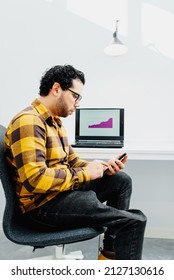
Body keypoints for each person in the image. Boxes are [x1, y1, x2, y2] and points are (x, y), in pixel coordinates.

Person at [4, 64, 147, 260]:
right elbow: (35, 179)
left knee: (121, 180)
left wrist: (100, 168)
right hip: (41, 207)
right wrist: (86, 174)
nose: (78, 103)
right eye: (76, 96)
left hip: (60, 193)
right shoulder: (29, 121)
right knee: (135, 220)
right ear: (56, 89)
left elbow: (71, 160)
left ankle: (109, 252)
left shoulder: (55, 122)